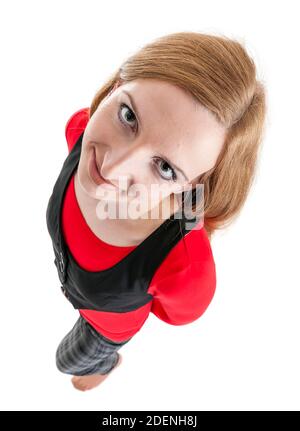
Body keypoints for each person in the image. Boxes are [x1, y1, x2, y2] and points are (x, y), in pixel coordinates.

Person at [46, 31, 267, 391]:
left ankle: (106, 365)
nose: (114, 168)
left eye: (165, 168)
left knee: (68, 365)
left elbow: (175, 311)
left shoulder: (184, 265)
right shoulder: (82, 130)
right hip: (77, 288)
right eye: (128, 115)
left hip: (106, 328)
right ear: (117, 86)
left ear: (191, 189)